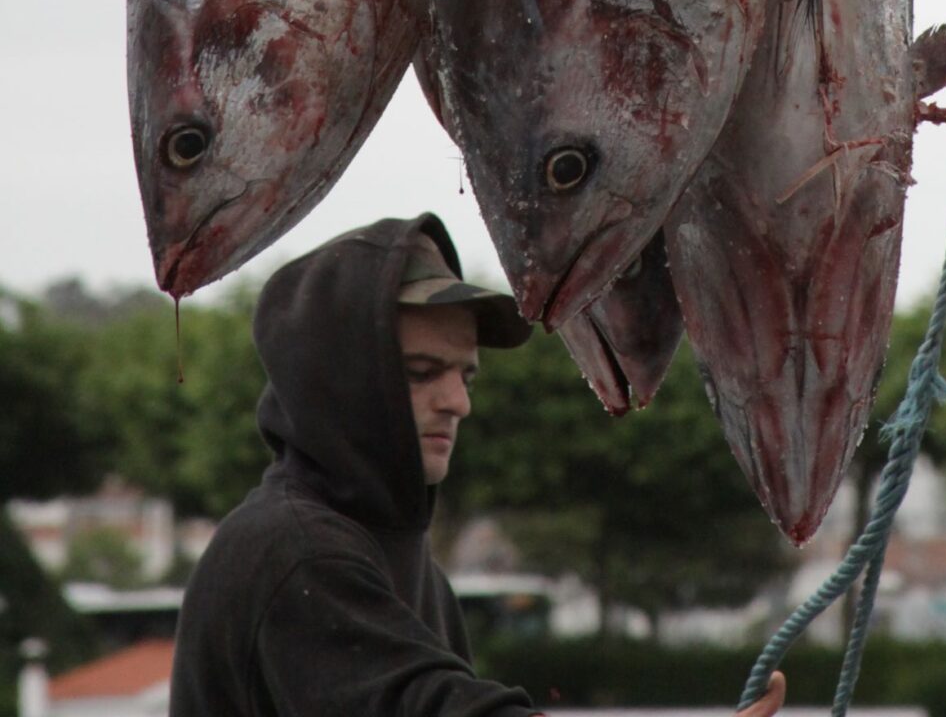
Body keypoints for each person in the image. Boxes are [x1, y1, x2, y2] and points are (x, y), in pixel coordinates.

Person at [169, 213, 786, 717]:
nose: (458, 402)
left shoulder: (403, 561)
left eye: (464, 375)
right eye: (421, 374)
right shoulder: (294, 549)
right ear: (341, 382)